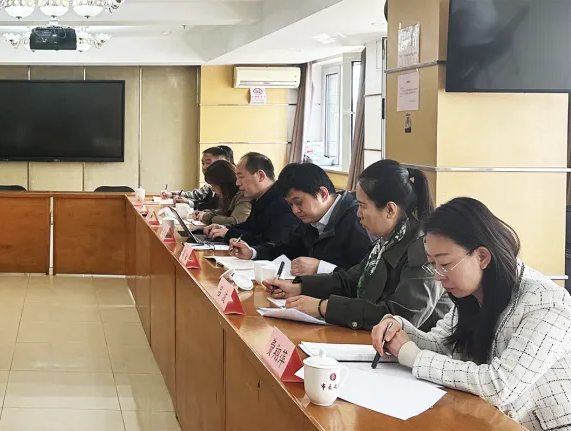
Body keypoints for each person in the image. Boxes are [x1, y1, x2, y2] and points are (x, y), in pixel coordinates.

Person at [372, 197, 571, 431]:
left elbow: (499, 385)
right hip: (487, 419)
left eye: (445, 264)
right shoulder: (471, 293)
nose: (438, 276)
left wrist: (412, 356)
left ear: (482, 256)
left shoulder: (546, 302)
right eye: (432, 264)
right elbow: (441, 345)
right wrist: (399, 328)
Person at [263, 160, 452, 331]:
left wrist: (323, 307)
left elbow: (401, 316)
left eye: (363, 206)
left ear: (390, 209)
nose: (358, 213)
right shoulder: (387, 239)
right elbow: (351, 281)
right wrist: (299, 287)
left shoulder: (424, 250)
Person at [228, 163, 373, 275]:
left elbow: (364, 278)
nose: (295, 210)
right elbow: (288, 248)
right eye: (290, 204)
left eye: (298, 202)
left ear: (323, 194)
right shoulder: (311, 219)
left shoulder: (358, 221)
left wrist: (319, 267)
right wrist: (253, 252)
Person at [204, 153, 300, 245]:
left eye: (241, 177)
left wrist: (228, 233)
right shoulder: (260, 199)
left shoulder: (283, 202)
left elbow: (271, 242)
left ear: (260, 176)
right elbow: (247, 227)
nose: (237, 183)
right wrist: (224, 228)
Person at [163, 145, 233, 210]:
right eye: (203, 163)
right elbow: (197, 196)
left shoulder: (229, 187)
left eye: (208, 163)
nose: (204, 167)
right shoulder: (210, 185)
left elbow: (216, 210)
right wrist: (173, 195)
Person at [191, 160, 252, 226]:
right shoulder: (227, 195)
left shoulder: (243, 194)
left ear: (224, 183)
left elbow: (235, 221)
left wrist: (208, 217)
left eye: (214, 185)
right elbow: (223, 212)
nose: (212, 189)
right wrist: (205, 213)